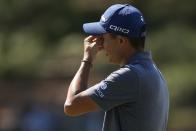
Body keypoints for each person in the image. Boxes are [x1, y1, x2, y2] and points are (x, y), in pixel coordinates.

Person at [64, 4, 169, 131]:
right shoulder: (154, 72)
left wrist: (87, 60)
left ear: (121, 40)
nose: (101, 44)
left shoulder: (130, 76)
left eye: (103, 37)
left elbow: (71, 106)